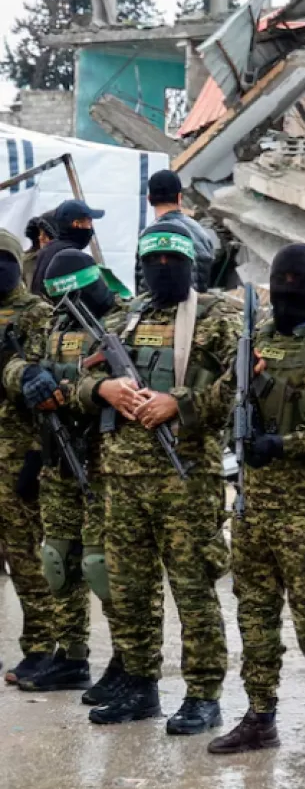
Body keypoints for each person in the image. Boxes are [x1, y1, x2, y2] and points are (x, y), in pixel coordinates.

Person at [74, 218, 236, 734]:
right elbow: (84, 374)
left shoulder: (218, 319)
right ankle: (140, 683)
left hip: (185, 479)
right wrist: (105, 392)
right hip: (122, 479)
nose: (164, 269)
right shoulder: (124, 319)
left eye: (174, 261)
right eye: (154, 261)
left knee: (193, 589)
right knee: (129, 590)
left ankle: (204, 693)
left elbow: (241, 391)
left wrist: (178, 403)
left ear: (192, 265)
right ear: (141, 268)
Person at [207, 244, 305, 766]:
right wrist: (241, 382)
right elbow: (225, 399)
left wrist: (285, 445)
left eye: (299, 279)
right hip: (252, 506)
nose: (290, 288)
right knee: (254, 615)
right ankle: (260, 716)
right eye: (282, 279)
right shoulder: (260, 338)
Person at [8, 250, 131, 696]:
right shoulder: (55, 323)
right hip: (58, 456)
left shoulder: (122, 323)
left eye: (78, 295)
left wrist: (64, 386)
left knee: (104, 566)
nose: (71, 305)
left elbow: (123, 385)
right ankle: (71, 655)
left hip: (106, 463)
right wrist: (26, 375)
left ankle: (126, 658)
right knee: (58, 559)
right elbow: (17, 361)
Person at [0, 230, 67, 686]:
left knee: (27, 561)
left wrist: (37, 457)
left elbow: (51, 391)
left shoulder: (40, 315)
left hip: (18, 457)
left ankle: (42, 647)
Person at [147, 170, 220, 292]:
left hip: (160, 309)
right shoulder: (200, 233)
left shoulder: (148, 237)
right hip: (197, 308)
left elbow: (144, 290)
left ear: (149, 199)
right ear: (179, 197)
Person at [31, 199, 104, 301]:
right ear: (76, 224)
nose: (91, 227)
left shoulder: (48, 249)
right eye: (89, 221)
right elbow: (98, 299)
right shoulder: (71, 257)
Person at [22, 213, 55, 291]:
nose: (41, 238)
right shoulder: (25, 263)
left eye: (46, 234)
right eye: (40, 234)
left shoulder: (67, 258)